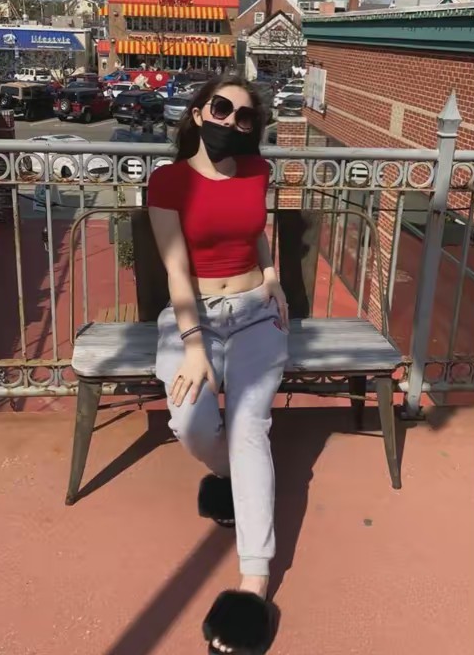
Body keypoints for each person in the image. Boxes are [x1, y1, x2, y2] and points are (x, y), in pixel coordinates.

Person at [147, 75, 288, 655]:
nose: (231, 121)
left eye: (244, 116)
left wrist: (273, 276)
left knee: (250, 427)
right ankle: (232, 478)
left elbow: (257, 231)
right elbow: (176, 270)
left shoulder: (257, 172)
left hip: (255, 314)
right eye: (221, 108)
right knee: (190, 421)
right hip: (194, 319)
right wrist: (194, 346)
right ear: (200, 111)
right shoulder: (169, 180)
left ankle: (253, 586)